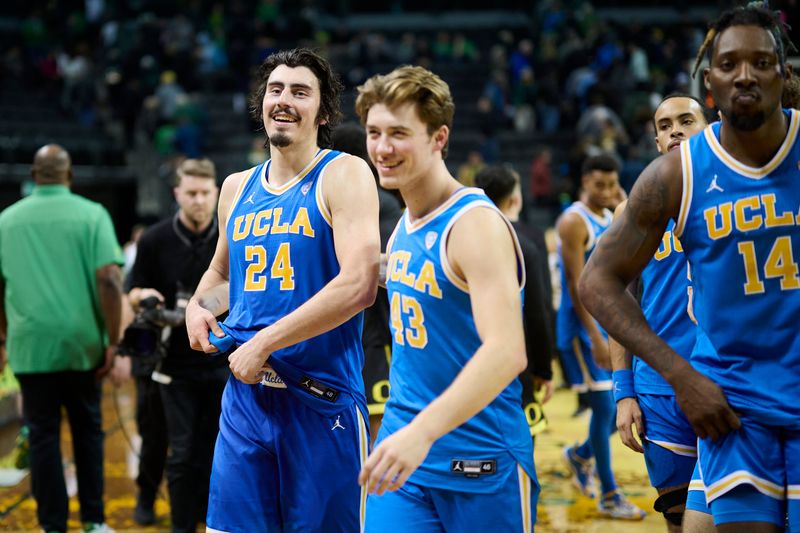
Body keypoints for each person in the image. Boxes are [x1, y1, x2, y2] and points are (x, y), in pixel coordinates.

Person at [579, 5, 799, 532]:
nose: (744, 74)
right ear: (710, 82)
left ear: (782, 73)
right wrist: (667, 378)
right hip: (726, 405)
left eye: (760, 61)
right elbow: (598, 282)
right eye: (729, 64)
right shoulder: (673, 177)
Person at [184, 48, 380, 532]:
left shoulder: (344, 174)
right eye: (276, 89)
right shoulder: (235, 187)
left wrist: (266, 342)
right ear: (261, 102)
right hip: (246, 400)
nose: (284, 100)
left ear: (324, 111)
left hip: (320, 400)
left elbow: (359, 284)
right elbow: (224, 278)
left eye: (300, 91)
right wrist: (196, 306)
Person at [356, 65, 538, 532]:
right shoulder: (404, 224)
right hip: (404, 454)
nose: (382, 147)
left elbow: (507, 351)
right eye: (374, 132)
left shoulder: (474, 225)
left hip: (479, 457)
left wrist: (423, 432)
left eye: (399, 133)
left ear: (439, 138)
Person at [0, 144, 121, 533]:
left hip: (30, 346)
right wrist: (112, 339)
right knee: (88, 432)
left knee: (41, 435)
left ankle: (52, 525)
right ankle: (93, 521)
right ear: (69, 176)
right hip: (83, 345)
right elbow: (109, 279)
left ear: (33, 176)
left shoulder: (5, 221)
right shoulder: (93, 215)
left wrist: (4, 335)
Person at [608, 94, 714, 532]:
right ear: (655, 140)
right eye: (665, 125)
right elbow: (615, 301)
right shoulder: (634, 211)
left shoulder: (741, 197)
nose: (675, 130)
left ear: (709, 129)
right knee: (676, 520)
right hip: (659, 390)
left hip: (728, 380)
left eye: (686, 121)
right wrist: (623, 391)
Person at [123, 158, 228, 531]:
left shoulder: (228, 236)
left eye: (205, 193)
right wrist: (142, 296)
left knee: (212, 447)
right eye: (191, 193)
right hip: (167, 362)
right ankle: (153, 502)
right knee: (165, 444)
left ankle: (204, 512)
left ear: (215, 192)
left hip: (219, 361)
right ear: (177, 194)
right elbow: (131, 291)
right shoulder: (154, 240)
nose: (199, 201)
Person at [556, 153, 645, 519]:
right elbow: (579, 287)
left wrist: (620, 197)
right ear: (584, 183)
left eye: (612, 183)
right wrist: (594, 336)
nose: (607, 190)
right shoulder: (573, 221)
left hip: (606, 324)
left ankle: (580, 455)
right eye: (600, 184)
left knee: (618, 407)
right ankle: (609, 494)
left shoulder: (611, 215)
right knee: (607, 408)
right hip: (581, 327)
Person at [331, 122, 403, 444]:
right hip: (358, 332)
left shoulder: (378, 201)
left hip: (364, 330)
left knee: (371, 424)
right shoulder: (380, 202)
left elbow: (381, 270)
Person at [474, 164, 555, 438]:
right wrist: (544, 367)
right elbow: (539, 310)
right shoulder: (529, 240)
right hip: (517, 363)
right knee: (519, 443)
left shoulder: (462, 236)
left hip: (468, 362)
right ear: (515, 199)